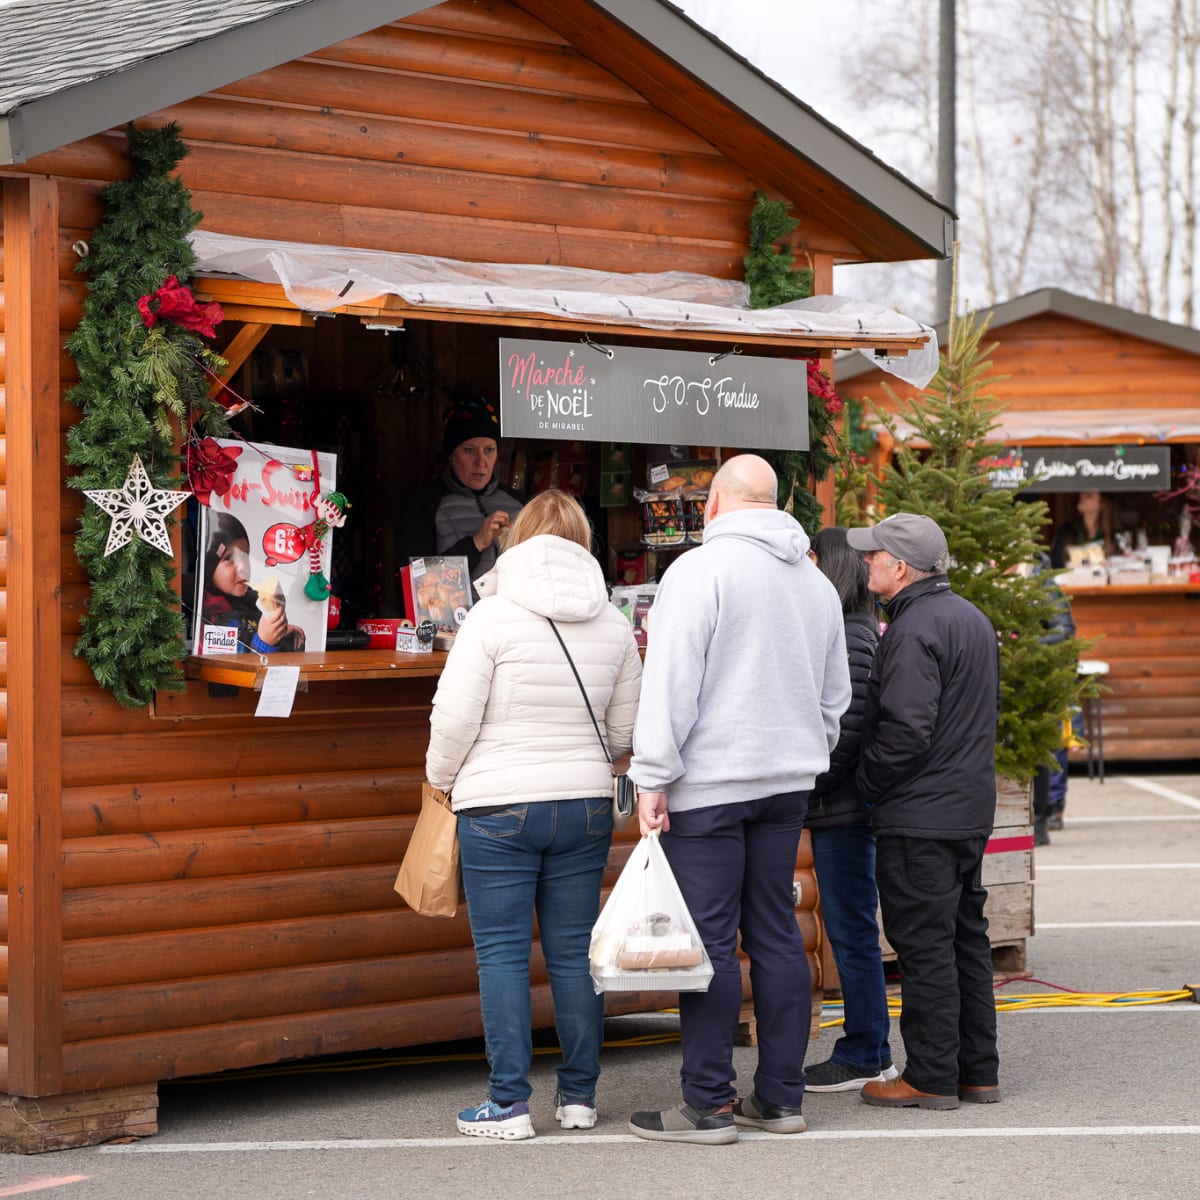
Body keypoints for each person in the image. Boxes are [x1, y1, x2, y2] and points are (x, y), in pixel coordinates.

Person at [626, 454, 851, 1145]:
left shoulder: (698, 572)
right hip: (787, 783)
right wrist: (805, 748)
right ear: (774, 503)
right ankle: (780, 1098)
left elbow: (671, 683)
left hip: (710, 787)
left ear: (714, 505)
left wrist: (651, 776)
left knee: (711, 942)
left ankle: (708, 1104)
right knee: (778, 934)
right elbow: (835, 696)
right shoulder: (814, 581)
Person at [425, 489, 642, 1141]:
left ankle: (508, 1104)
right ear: (583, 543)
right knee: (575, 954)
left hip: (498, 805)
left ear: (518, 538)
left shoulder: (490, 616)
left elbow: (454, 721)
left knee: (502, 955)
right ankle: (579, 1099)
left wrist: (441, 781)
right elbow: (624, 733)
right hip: (584, 806)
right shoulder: (613, 624)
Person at [845, 512, 1002, 1111]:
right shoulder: (970, 618)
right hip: (965, 808)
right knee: (965, 940)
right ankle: (976, 1071)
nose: (866, 562)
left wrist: (866, 784)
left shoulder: (913, 629)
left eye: (874, 554)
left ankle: (932, 1076)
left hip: (921, 814)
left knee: (924, 946)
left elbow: (906, 730)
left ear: (902, 567)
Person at [802, 527, 897, 1092]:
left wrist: (806, 787)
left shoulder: (851, 634)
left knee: (852, 930)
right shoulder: (850, 628)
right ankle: (870, 1048)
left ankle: (867, 1051)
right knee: (851, 929)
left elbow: (847, 732)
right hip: (842, 808)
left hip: (845, 811)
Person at [396, 386, 525, 589]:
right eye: (469, 450)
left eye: (489, 450)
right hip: (458, 612)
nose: (481, 462)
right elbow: (419, 587)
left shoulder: (519, 503)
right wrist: (475, 544)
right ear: (451, 454)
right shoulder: (422, 505)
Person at [200, 511, 306, 652]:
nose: (243, 566)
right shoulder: (210, 618)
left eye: (245, 554)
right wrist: (263, 643)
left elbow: (250, 634)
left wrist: (280, 635)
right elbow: (228, 663)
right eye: (229, 558)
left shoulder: (249, 603)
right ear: (209, 568)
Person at [1050, 490, 1114, 568]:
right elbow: (1055, 564)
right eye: (1082, 492)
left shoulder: (1111, 537)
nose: (1082, 495)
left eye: (1089, 495)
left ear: (1102, 504)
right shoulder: (1066, 531)